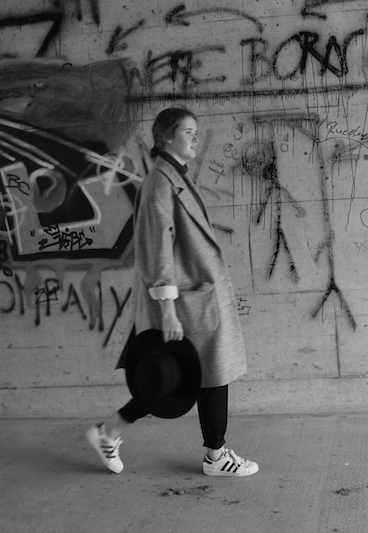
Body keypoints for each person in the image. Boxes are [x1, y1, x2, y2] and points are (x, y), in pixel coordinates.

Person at [85, 107, 257, 477]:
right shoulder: (160, 184)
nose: (196, 137)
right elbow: (156, 248)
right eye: (188, 131)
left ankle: (114, 431)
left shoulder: (173, 177)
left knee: (197, 375)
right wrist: (167, 310)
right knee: (189, 376)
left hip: (195, 296)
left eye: (196, 131)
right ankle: (214, 456)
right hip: (183, 302)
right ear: (166, 137)